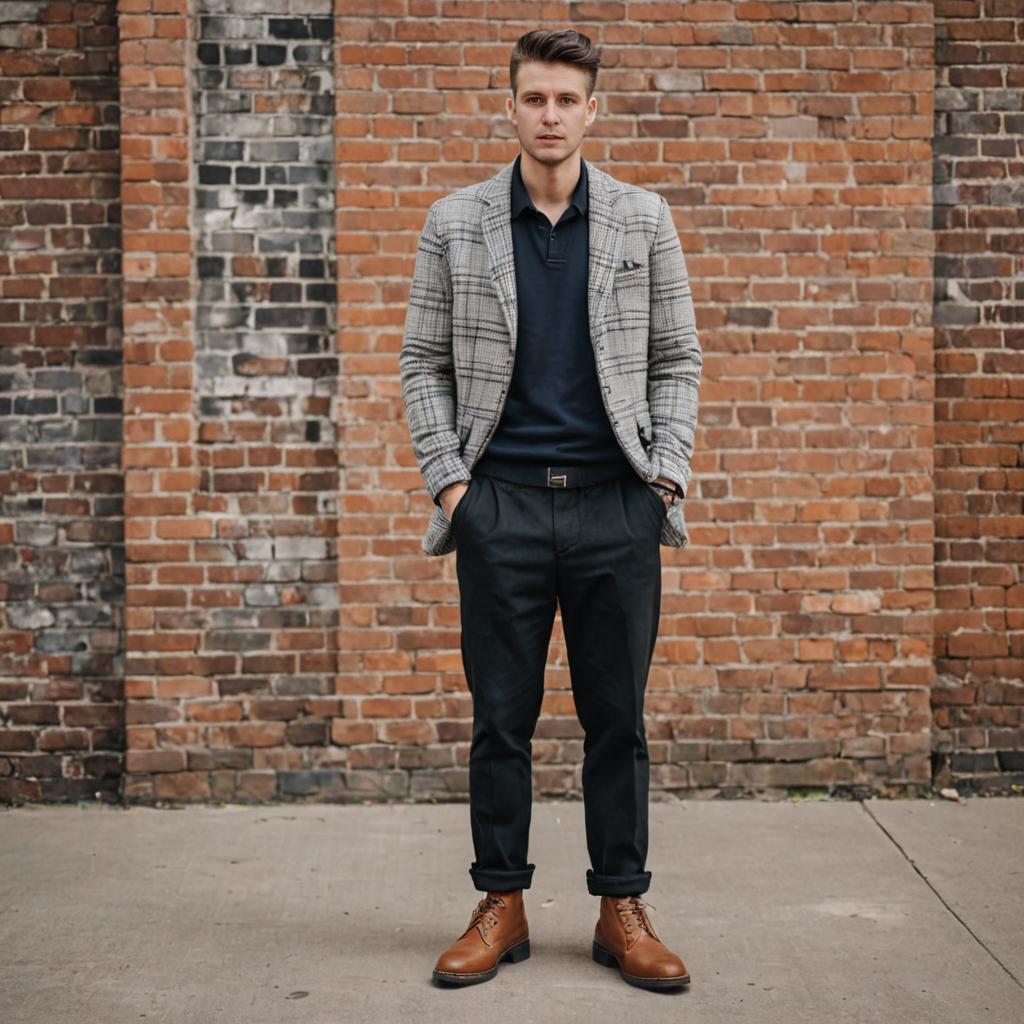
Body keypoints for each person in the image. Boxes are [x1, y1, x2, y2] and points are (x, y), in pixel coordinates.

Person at [400, 27, 702, 991]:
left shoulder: (643, 219)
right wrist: (454, 486)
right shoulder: (455, 222)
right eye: (535, 98)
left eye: (567, 99)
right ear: (511, 104)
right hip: (504, 510)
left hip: (617, 507)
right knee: (501, 719)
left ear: (592, 108)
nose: (550, 115)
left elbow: (676, 361)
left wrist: (665, 479)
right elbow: (423, 365)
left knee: (619, 720)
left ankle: (622, 904)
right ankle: (503, 903)